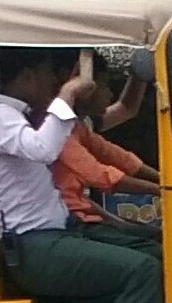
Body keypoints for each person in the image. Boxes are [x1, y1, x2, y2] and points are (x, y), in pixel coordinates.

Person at [0, 47, 164, 303]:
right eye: (49, 75)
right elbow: (44, 150)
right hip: (35, 246)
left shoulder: (21, 115)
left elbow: (111, 146)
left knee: (153, 253)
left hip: (56, 234)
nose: (54, 83)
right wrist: (68, 94)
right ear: (27, 76)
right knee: (145, 272)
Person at [50, 51, 161, 257]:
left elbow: (119, 157)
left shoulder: (82, 124)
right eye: (103, 85)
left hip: (84, 212)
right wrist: (162, 189)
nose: (110, 93)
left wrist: (165, 180)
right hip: (69, 223)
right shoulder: (54, 128)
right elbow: (101, 175)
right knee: (151, 256)